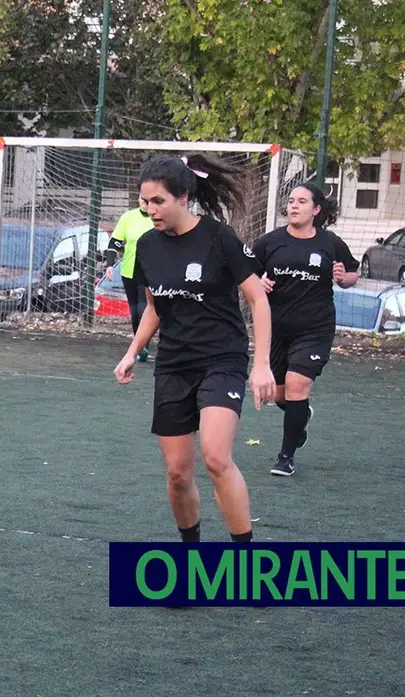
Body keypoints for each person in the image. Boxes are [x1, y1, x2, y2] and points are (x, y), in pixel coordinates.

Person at [113, 154, 276, 544]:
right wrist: (132, 351)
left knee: (217, 458)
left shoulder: (218, 238)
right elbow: (154, 308)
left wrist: (263, 364)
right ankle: (191, 557)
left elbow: (258, 300)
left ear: (183, 197)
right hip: (173, 365)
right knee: (177, 474)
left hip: (222, 360)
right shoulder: (148, 246)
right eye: (145, 202)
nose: (150, 210)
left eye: (158, 202)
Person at [252, 182, 358, 477]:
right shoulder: (269, 242)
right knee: (281, 395)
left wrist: (343, 277)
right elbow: (245, 275)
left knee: (298, 386)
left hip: (315, 329)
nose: (294, 206)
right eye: (291, 201)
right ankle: (301, 416)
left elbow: (352, 274)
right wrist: (257, 282)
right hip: (274, 330)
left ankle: (285, 457)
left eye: (302, 201)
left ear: (316, 209)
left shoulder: (330, 243)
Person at [103, 201, 154, 361]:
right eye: (143, 199)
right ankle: (140, 347)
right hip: (129, 272)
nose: (146, 203)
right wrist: (109, 265)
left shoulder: (158, 217)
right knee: (134, 312)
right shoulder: (128, 217)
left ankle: (143, 346)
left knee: (143, 308)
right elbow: (115, 242)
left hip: (151, 273)